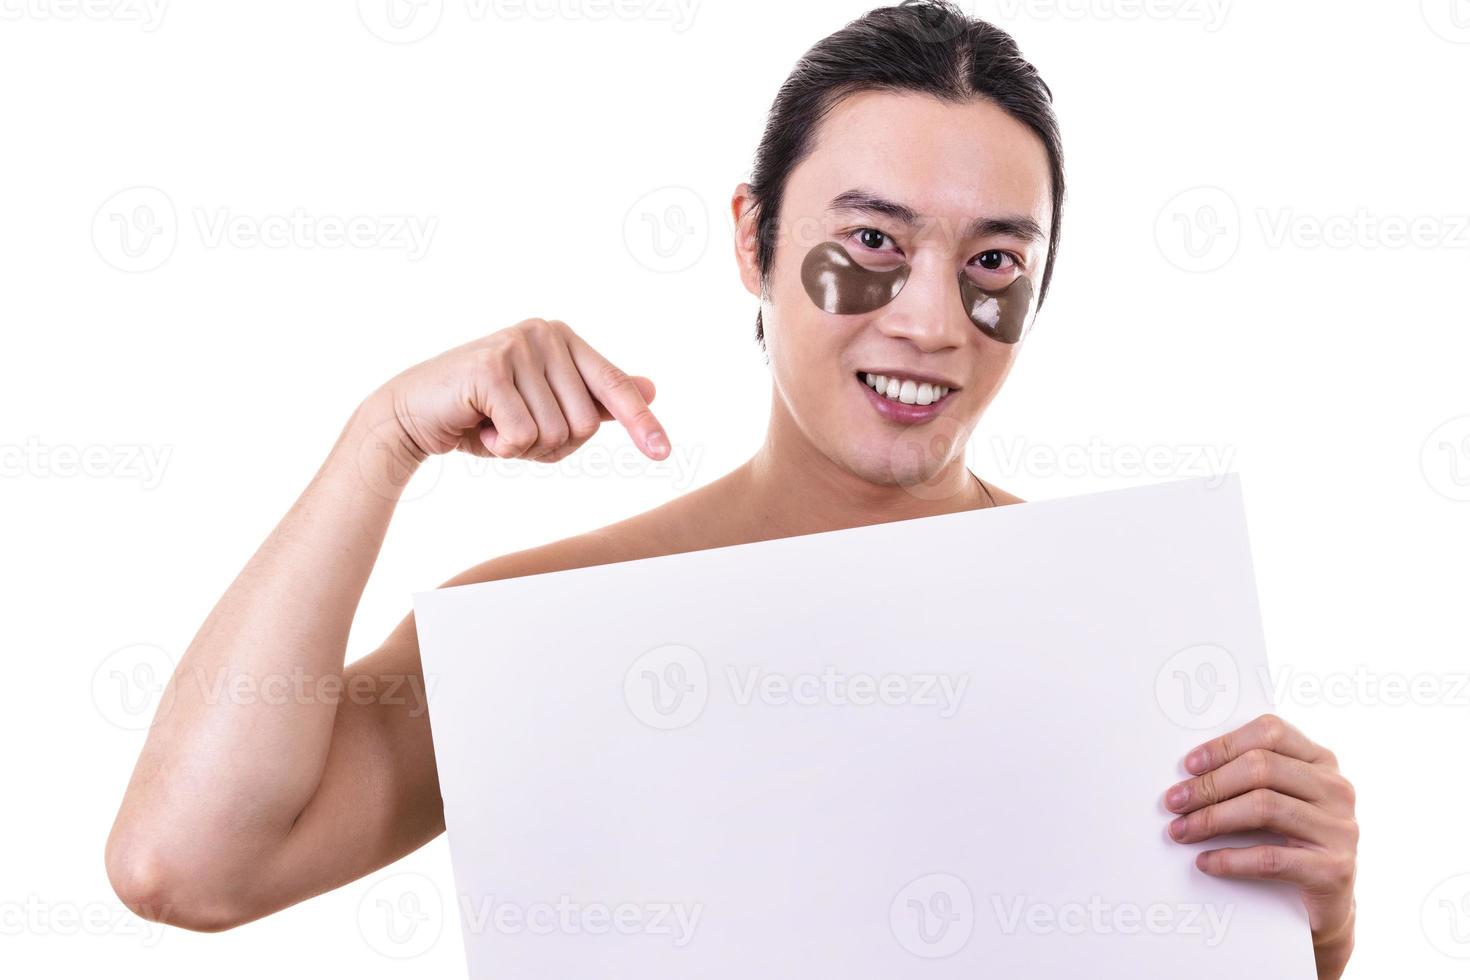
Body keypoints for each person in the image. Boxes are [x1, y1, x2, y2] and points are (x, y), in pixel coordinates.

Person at [104, 2, 1357, 975]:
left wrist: (1318, 920)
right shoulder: (551, 625)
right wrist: (376, 441)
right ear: (754, 239)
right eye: (872, 240)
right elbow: (183, 863)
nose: (931, 318)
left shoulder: (1128, 635)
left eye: (991, 260)